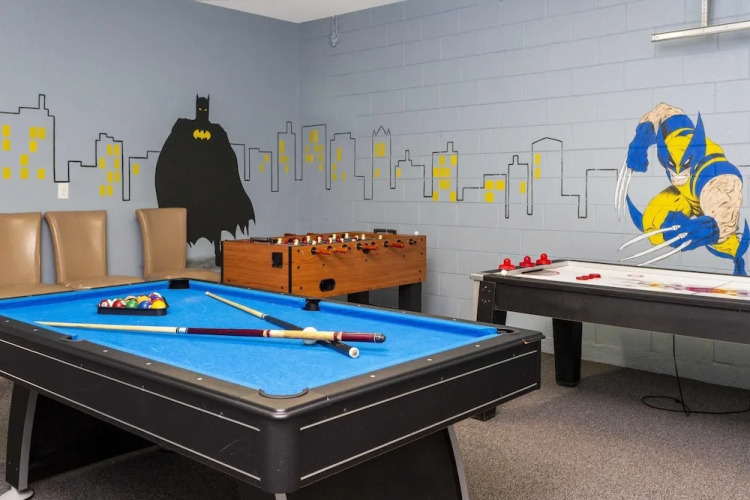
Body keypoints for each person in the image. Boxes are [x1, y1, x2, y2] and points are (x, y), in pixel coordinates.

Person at [615, 103, 748, 275]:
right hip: (685, 194)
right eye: (672, 167)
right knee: (653, 220)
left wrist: (710, 228)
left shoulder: (716, 175)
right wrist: (643, 135)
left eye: (683, 167)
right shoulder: (674, 132)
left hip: (708, 198)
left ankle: (737, 264)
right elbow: (664, 111)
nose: (677, 173)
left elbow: (726, 205)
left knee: (725, 244)